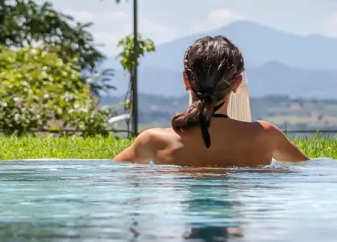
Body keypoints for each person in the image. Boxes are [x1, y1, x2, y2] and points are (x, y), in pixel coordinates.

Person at [114, 36, 309, 167]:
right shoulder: (265, 135)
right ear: (237, 84)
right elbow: (308, 169)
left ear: (186, 81)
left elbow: (112, 173)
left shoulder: (153, 141)